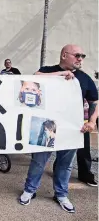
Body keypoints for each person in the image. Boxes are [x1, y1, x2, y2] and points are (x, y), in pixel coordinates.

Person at [19, 44, 98, 213]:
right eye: (77, 55)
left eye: (82, 56)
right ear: (64, 55)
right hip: (46, 125)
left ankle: (61, 194)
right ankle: (29, 190)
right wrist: (62, 74)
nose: (80, 59)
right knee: (39, 161)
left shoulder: (84, 78)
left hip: (71, 128)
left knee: (65, 163)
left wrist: (92, 121)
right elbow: (35, 77)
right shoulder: (48, 70)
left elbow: (95, 101)